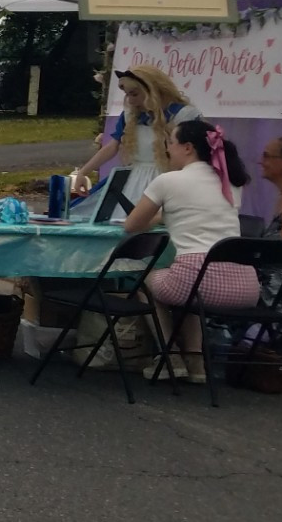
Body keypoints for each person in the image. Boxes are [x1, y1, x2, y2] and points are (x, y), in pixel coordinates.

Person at [123, 120, 255, 383]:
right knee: (187, 290)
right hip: (245, 286)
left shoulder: (168, 181)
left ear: (187, 147)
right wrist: (168, 215)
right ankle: (196, 364)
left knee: (147, 282)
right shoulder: (231, 183)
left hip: (197, 278)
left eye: (170, 142)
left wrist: (161, 216)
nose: (168, 149)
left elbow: (132, 225)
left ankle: (169, 354)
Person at [71, 67, 200, 208]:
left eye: (134, 94)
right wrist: (83, 173)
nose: (130, 101)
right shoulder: (131, 115)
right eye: (127, 95)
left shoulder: (183, 115)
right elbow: (112, 146)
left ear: (152, 91)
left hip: (170, 179)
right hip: (134, 181)